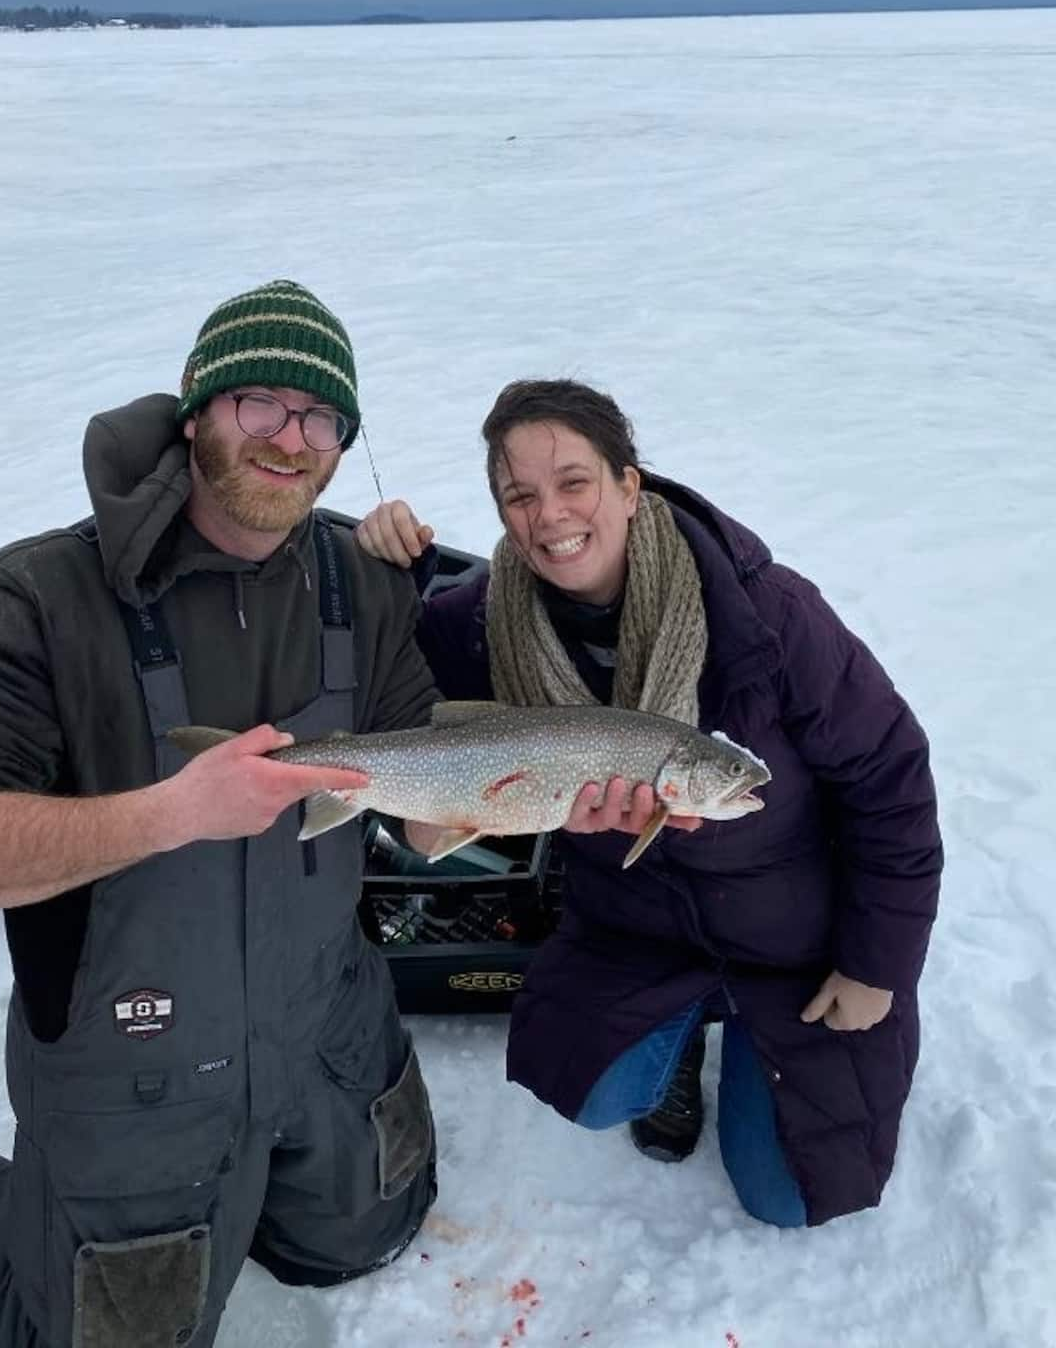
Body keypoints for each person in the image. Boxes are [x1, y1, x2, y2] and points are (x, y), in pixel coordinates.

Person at [0, 280, 437, 1348]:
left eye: (319, 417)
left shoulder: (366, 584)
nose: (289, 437)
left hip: (322, 1027)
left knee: (369, 1232)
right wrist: (166, 815)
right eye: (259, 402)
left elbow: (426, 809)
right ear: (195, 413)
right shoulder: (40, 599)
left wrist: (527, 802)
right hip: (140, 1072)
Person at [355, 378, 942, 1228]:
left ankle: (756, 1034)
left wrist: (876, 964)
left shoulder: (764, 613)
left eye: (575, 481)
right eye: (519, 495)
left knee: (789, 1198)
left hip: (801, 944)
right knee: (591, 1089)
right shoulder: (481, 623)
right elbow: (386, 683)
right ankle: (670, 1052)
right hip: (636, 932)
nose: (549, 514)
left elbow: (891, 777)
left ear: (630, 485)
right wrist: (385, 571)